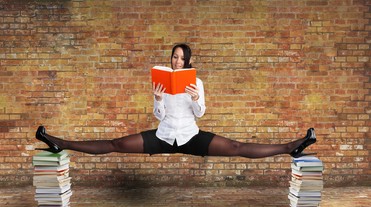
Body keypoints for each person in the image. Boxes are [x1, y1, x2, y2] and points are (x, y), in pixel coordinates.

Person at [35, 43, 316, 158]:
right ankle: (61, 143)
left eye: (181, 58)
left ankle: (291, 147)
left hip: (191, 136)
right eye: (174, 56)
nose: (177, 60)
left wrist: (195, 98)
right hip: (164, 135)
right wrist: (158, 99)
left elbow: (201, 113)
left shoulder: (197, 82)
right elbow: (159, 116)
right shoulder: (161, 78)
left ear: (188, 61)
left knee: (235, 147)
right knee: (116, 144)